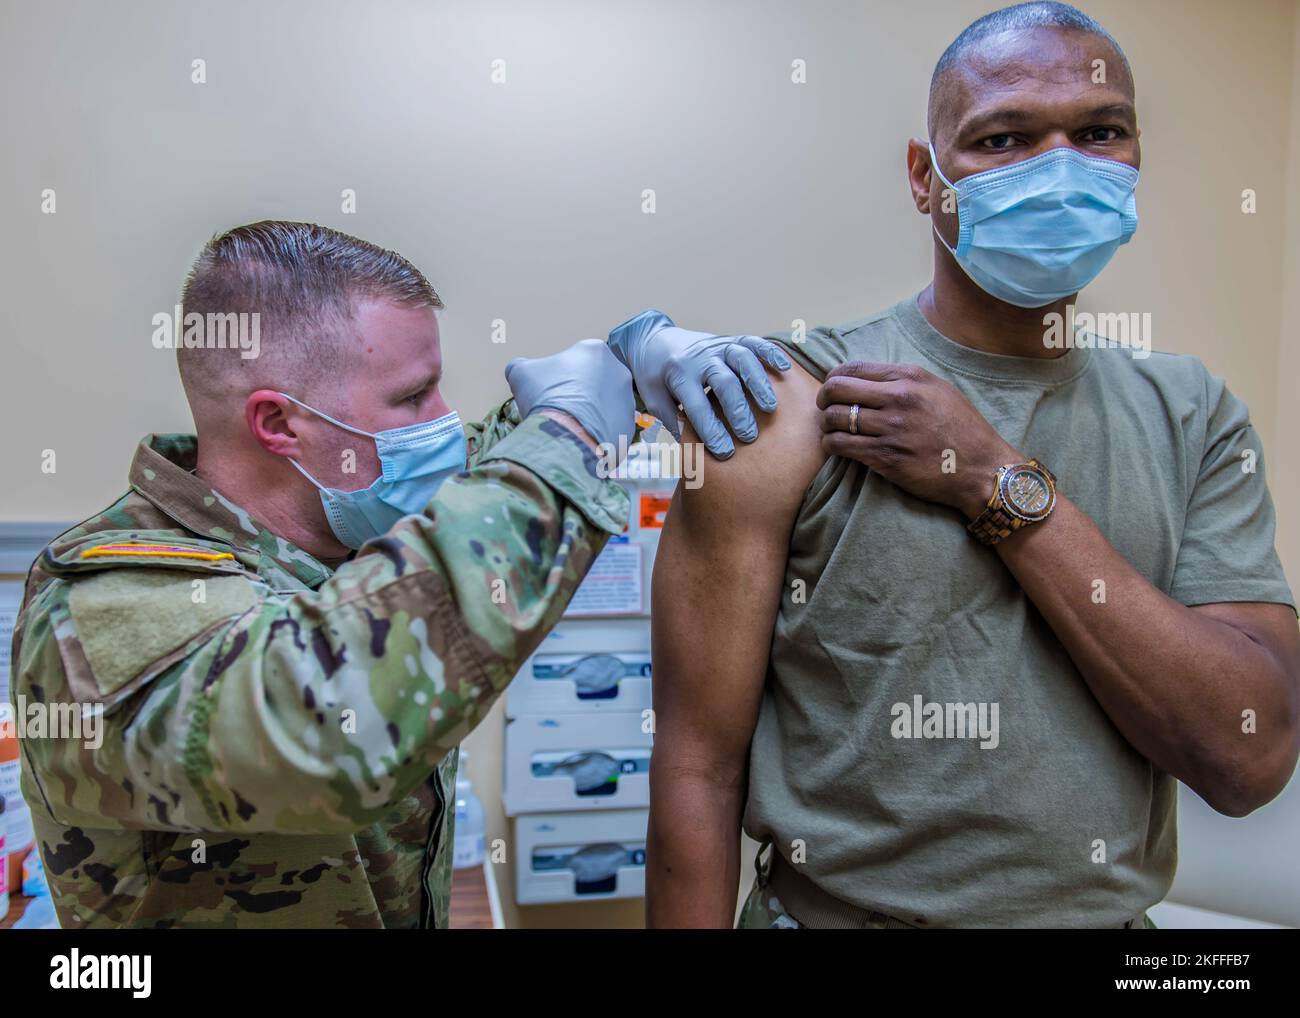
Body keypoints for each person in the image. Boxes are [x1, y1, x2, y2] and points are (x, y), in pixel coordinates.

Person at [647, 1, 1299, 929]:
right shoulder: (793, 402)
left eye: (1100, 132)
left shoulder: (1196, 416)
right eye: (1003, 139)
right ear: (925, 176)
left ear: (1138, 154)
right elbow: (695, 771)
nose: (1059, 168)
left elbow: (1249, 758)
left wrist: (994, 480)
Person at [9, 219, 786, 929]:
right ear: (279, 424)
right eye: (414, 396)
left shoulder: (341, 522)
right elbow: (332, 721)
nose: (445, 419)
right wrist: (569, 440)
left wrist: (624, 360)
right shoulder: (102, 609)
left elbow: (468, 485)